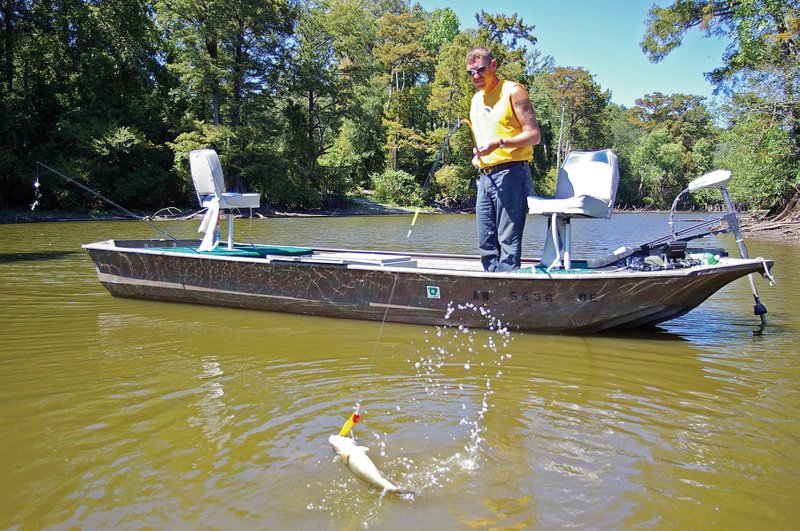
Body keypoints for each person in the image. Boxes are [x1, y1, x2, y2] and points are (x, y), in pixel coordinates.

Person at [466, 46, 541, 272]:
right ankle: (491, 289)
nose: (476, 76)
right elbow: (484, 138)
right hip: (485, 176)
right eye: (470, 73)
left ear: (493, 65)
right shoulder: (476, 100)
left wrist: (499, 144)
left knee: (508, 241)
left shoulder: (513, 91)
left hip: (512, 173)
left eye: (480, 70)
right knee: (486, 242)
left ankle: (507, 287)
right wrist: (477, 154)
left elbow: (534, 135)